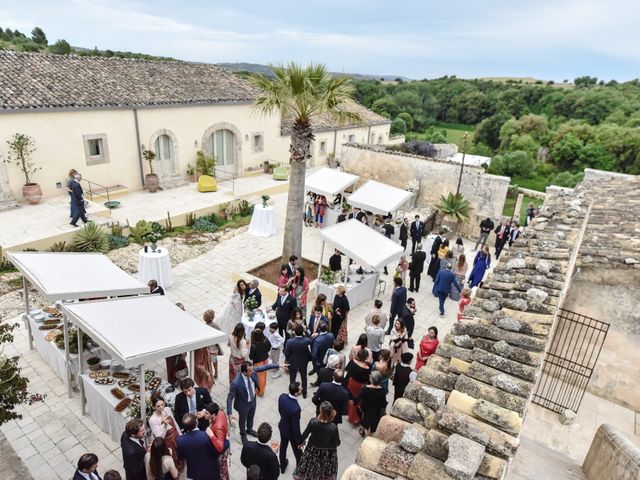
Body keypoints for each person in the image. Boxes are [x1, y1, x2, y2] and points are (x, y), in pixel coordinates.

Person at [228, 361, 281, 443]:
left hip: (253, 401)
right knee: (242, 420)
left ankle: (249, 429)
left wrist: (279, 365)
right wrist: (229, 413)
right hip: (243, 404)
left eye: (253, 370)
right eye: (251, 371)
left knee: (251, 416)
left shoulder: (252, 371)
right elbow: (230, 397)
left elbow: (264, 367)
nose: (253, 372)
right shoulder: (236, 383)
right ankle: (243, 434)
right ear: (245, 372)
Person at [293, 402, 340, 480]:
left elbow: (305, 434)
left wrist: (301, 442)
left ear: (321, 412)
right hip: (327, 452)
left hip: (313, 449)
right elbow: (337, 442)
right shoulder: (333, 427)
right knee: (324, 468)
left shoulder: (313, 422)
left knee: (310, 466)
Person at [176, 413, 220, 480]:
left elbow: (181, 456)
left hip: (196, 472)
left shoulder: (180, 440)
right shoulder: (206, 435)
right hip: (211, 469)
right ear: (196, 421)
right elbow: (216, 451)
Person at [148, 396, 184, 474]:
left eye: (162, 404)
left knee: (181, 454)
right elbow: (159, 437)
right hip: (168, 441)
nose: (161, 407)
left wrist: (180, 435)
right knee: (174, 458)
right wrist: (164, 426)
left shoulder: (167, 409)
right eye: (158, 406)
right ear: (154, 407)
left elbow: (174, 422)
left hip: (176, 436)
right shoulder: (153, 420)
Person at [278, 382, 303, 473]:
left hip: (282, 427)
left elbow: (280, 410)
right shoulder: (296, 408)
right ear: (296, 393)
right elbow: (295, 427)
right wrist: (299, 440)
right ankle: (299, 467)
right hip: (291, 433)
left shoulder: (282, 397)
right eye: (300, 389)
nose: (302, 389)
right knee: (297, 451)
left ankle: (283, 466)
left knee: (283, 447)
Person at [203, 402, 230, 480]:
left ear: (213, 415)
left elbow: (220, 447)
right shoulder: (220, 413)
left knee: (221, 472)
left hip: (220, 454)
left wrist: (211, 435)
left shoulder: (217, 427)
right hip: (223, 439)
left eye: (207, 413)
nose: (205, 414)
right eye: (205, 411)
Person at [356, 371, 387, 437]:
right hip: (376, 410)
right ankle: (368, 434)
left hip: (365, 408)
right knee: (372, 423)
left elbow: (358, 397)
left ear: (371, 379)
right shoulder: (382, 390)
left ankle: (363, 431)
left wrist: (354, 402)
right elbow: (383, 402)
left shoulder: (365, 388)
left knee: (363, 418)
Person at [344, 349, 371, 425]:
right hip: (359, 385)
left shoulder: (352, 361)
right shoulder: (366, 368)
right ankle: (354, 417)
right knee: (357, 400)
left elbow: (347, 370)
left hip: (351, 382)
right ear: (366, 358)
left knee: (351, 398)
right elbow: (367, 379)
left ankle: (350, 413)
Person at [284, 324, 312, 398]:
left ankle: (293, 392)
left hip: (293, 362)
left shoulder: (290, 341)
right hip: (303, 362)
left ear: (294, 332)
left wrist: (289, 359)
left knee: (292, 378)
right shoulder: (307, 340)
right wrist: (306, 332)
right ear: (302, 332)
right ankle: (304, 393)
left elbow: (286, 353)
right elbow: (311, 338)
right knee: (304, 378)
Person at [249, 328, 272, 396]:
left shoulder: (254, 345)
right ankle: (262, 388)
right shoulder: (266, 340)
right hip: (265, 360)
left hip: (258, 363)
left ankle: (260, 391)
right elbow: (269, 348)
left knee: (259, 377)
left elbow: (251, 357)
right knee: (264, 375)